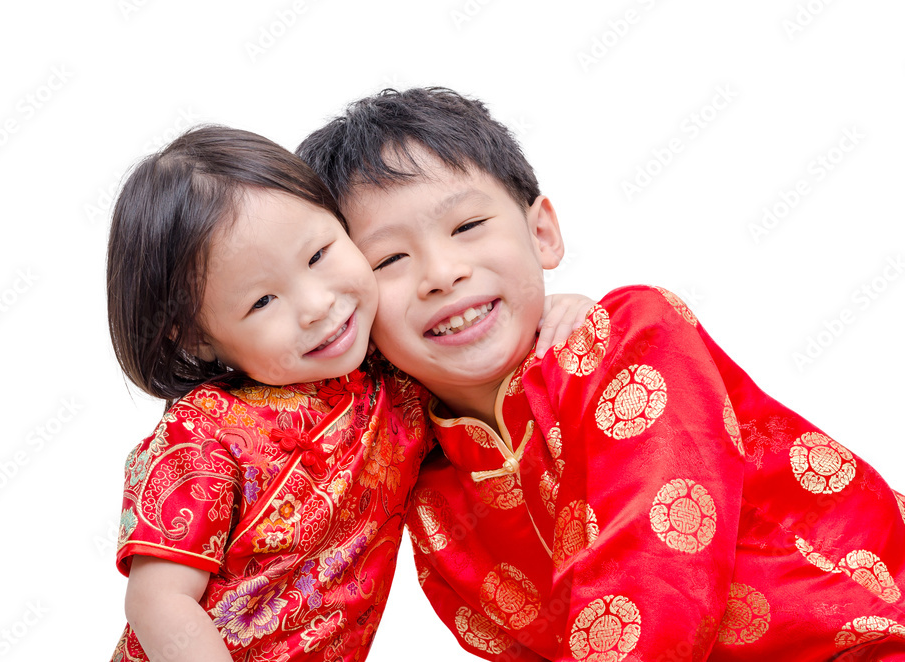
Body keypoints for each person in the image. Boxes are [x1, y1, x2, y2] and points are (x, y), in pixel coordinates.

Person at [297, 87, 905, 661]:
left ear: (542, 233)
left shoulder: (631, 338)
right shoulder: (425, 492)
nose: (441, 272)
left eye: (467, 227)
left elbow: (652, 563)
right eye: (390, 260)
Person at [105, 125, 592, 661]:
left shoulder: (394, 380)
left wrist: (557, 307)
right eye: (262, 302)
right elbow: (158, 603)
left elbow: (477, 347)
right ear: (199, 338)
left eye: (318, 255)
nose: (316, 305)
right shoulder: (204, 432)